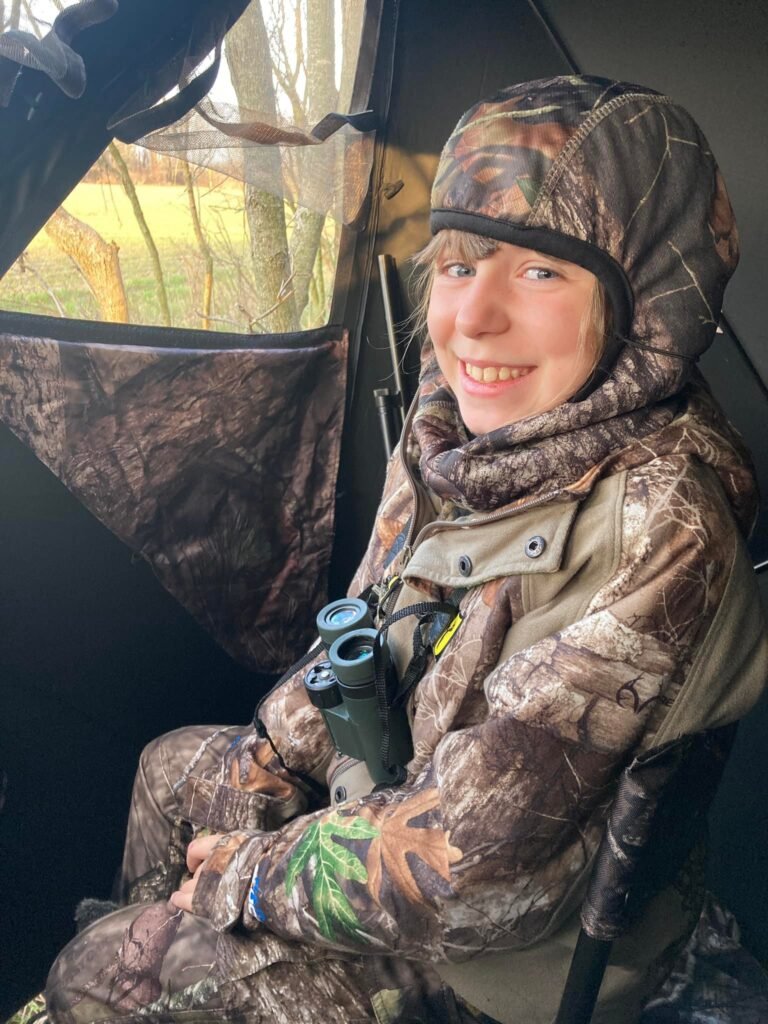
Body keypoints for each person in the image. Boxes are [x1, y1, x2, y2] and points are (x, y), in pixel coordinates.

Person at [36, 75, 768, 1024]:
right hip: (394, 782)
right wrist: (277, 761)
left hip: (504, 957)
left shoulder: (665, 529)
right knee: (167, 767)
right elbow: (373, 615)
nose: (472, 318)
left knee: (95, 976)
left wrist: (244, 880)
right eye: (460, 264)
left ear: (648, 304)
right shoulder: (456, 422)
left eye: (542, 272)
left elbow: (470, 865)